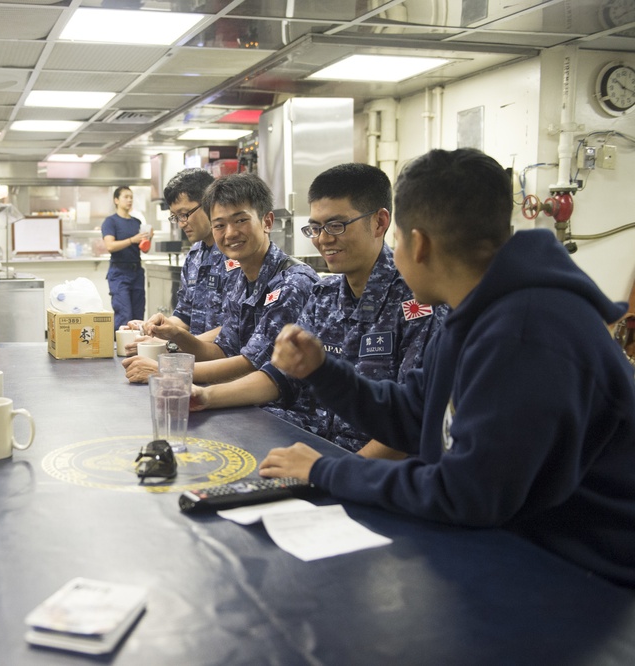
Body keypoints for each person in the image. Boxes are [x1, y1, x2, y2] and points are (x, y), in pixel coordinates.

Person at [259, 148, 635, 588]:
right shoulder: (473, 311)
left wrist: (326, 470)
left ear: (419, 244)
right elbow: (414, 415)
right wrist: (322, 371)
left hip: (585, 576)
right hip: (512, 539)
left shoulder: (526, 330)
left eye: (396, 240)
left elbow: (468, 493)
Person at [192, 164, 446, 454]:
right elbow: (279, 377)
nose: (323, 239)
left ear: (379, 222)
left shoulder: (417, 303)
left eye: (336, 226)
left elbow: (409, 424)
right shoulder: (325, 295)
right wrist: (204, 396)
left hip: (365, 469)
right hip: (312, 442)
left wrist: (331, 475)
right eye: (315, 228)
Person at [124, 173, 319, 385]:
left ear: (267, 221)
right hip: (236, 393)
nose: (230, 233)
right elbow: (222, 349)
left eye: (241, 220)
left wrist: (168, 368)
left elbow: (254, 366)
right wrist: (174, 335)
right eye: (219, 225)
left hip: (281, 412)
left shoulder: (292, 282)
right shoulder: (240, 281)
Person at [121, 168, 223, 357]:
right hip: (194, 359)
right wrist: (153, 329)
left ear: (209, 204)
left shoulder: (235, 255)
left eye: (185, 214)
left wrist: (169, 342)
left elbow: (236, 329)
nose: (181, 223)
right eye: (176, 216)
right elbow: (185, 315)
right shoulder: (194, 256)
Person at [101, 185, 152, 330]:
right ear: (116, 200)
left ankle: (136, 348)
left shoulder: (137, 222)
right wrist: (132, 240)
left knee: (137, 316)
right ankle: (121, 349)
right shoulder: (111, 222)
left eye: (131, 197)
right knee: (124, 314)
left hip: (137, 272)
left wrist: (149, 239)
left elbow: (145, 249)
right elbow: (110, 246)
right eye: (126, 197)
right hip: (119, 273)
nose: (129, 200)